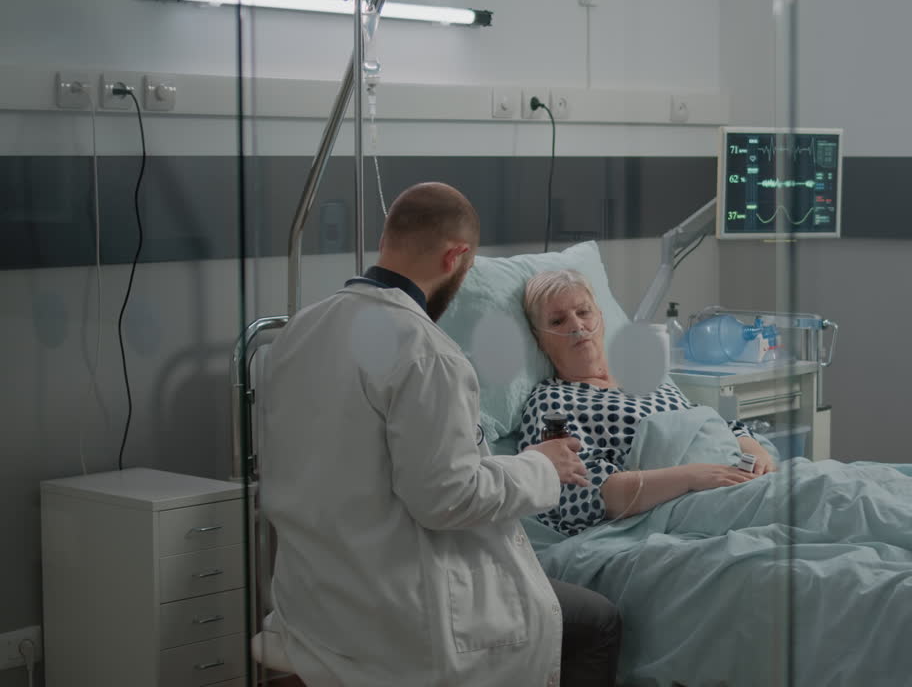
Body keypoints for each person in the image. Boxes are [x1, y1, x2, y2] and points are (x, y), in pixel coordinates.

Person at [260, 184, 621, 687]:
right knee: (596, 621)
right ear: (457, 256)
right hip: (400, 613)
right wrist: (542, 466)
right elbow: (447, 498)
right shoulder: (427, 351)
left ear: (388, 237)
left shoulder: (298, 332)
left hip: (318, 601)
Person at [517, 268, 776, 536]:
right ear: (540, 339)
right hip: (680, 506)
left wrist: (755, 452)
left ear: (601, 318)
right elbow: (579, 496)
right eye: (558, 321)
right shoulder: (552, 402)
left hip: (737, 476)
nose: (576, 325)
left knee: (813, 487)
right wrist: (690, 477)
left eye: (583, 312)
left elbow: (707, 423)